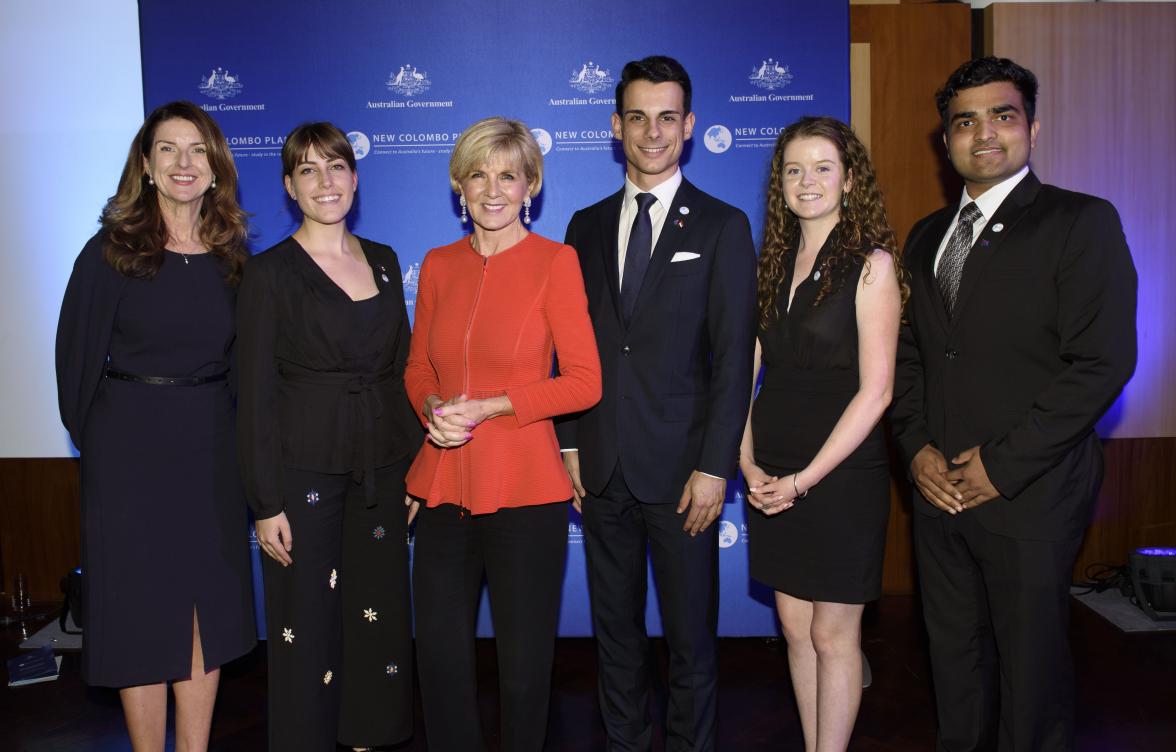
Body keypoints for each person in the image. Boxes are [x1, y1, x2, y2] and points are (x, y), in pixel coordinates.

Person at [889, 57, 1137, 751]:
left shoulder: (1080, 222)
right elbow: (909, 362)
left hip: (1032, 488)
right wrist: (915, 450)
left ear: (1033, 126)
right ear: (946, 141)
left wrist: (1001, 465)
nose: (985, 134)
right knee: (954, 665)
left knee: (1031, 678)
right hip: (938, 494)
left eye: (1003, 116)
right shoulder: (926, 237)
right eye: (965, 121)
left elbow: (1103, 363)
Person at [558, 56, 757, 751]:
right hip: (603, 466)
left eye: (667, 117)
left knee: (690, 640)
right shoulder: (583, 226)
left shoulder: (723, 226)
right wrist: (571, 444)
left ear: (690, 125)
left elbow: (734, 360)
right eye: (637, 117)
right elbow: (570, 351)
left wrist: (715, 467)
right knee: (614, 635)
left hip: (684, 476)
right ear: (616, 126)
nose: (652, 131)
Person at [55, 100, 255, 751]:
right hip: (128, 456)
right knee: (139, 614)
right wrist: (105, 453)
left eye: (197, 149)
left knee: (206, 608)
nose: (183, 163)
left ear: (215, 164)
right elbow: (74, 365)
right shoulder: (111, 251)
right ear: (145, 165)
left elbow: (244, 369)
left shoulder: (232, 256)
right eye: (167, 149)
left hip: (209, 453)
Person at [404, 116, 601, 752]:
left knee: (522, 668)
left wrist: (491, 406)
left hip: (525, 488)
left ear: (530, 186)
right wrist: (433, 404)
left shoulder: (556, 262)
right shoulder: (436, 265)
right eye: (478, 175)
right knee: (439, 657)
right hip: (442, 486)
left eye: (508, 175)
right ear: (459, 186)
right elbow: (418, 368)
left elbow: (583, 382)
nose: (493, 189)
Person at [236, 122, 418, 751]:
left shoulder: (387, 261)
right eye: (307, 170)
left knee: (379, 610)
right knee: (303, 622)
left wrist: (416, 467)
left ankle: (369, 735)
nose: (325, 182)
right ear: (289, 186)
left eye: (336, 166)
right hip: (302, 472)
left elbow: (401, 373)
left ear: (355, 176)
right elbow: (253, 396)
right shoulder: (269, 276)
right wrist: (265, 504)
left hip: (383, 463)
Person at [739, 116, 904, 751]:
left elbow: (878, 390)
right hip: (772, 467)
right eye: (793, 169)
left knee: (835, 635)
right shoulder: (772, 262)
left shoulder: (872, 265)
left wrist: (804, 480)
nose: (807, 181)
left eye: (823, 168)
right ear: (779, 183)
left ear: (849, 178)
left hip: (838, 473)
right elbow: (744, 378)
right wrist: (748, 463)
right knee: (793, 624)